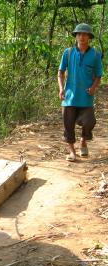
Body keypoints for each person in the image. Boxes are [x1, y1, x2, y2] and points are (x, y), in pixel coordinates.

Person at [57, 23, 103, 162]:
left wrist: (94, 87)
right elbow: (60, 72)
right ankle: (72, 152)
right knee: (68, 124)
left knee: (90, 121)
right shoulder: (68, 52)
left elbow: (99, 75)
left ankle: (83, 140)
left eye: (85, 34)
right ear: (76, 36)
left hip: (86, 97)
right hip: (69, 96)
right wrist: (61, 88)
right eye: (79, 34)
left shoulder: (95, 55)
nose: (82, 37)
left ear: (89, 37)